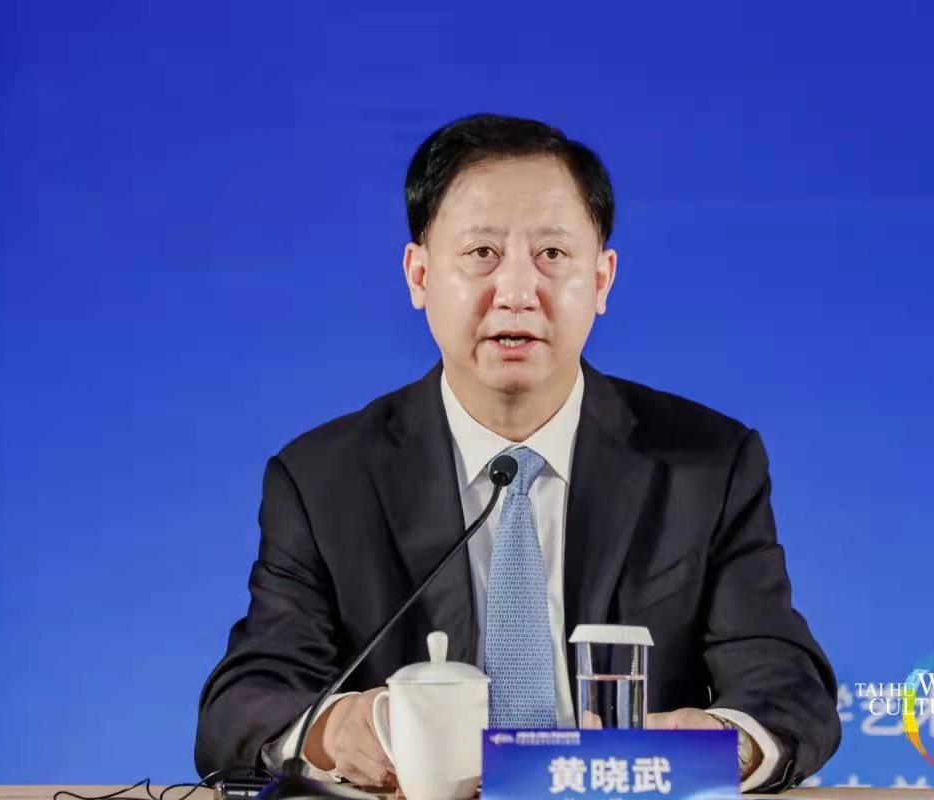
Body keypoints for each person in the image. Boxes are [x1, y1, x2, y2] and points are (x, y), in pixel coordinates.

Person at [194, 113, 840, 793]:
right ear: (419, 275)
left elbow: (785, 685)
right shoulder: (325, 480)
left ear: (602, 279)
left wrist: (721, 745)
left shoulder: (707, 464)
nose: (517, 292)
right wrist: (332, 731)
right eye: (482, 252)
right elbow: (242, 703)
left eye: (552, 255)